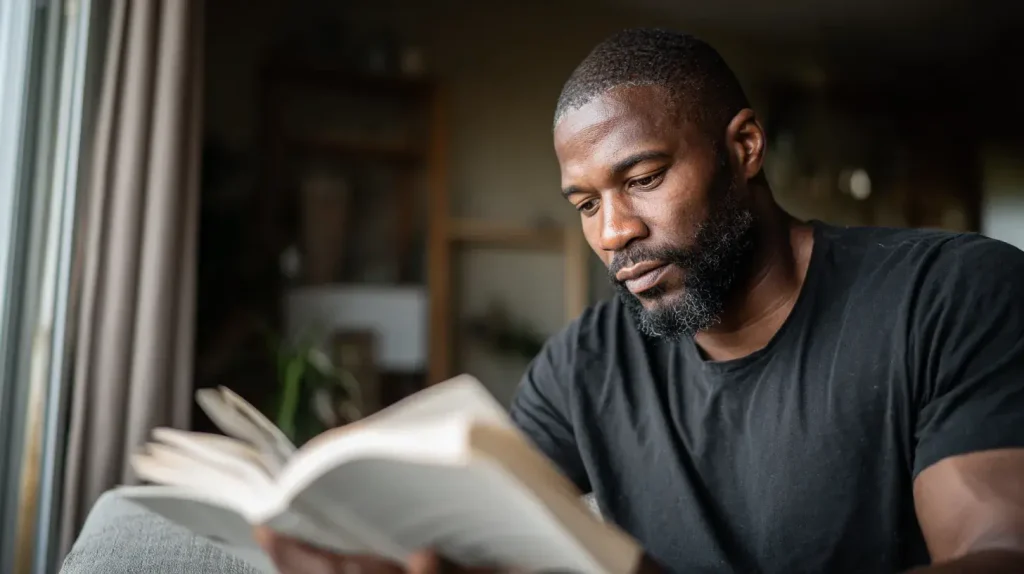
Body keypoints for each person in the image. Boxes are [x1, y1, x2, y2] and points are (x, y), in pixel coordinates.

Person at [256, 28, 1024, 573]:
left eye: (644, 179)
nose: (614, 232)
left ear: (744, 148)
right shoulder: (584, 365)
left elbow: (997, 555)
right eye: (585, 204)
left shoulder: (949, 296)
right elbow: (478, 523)